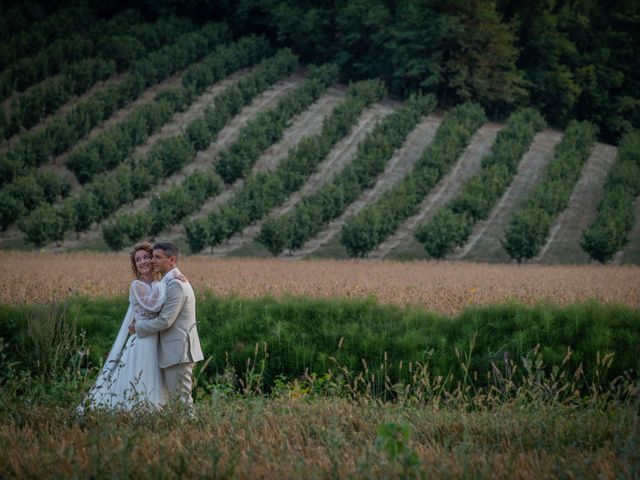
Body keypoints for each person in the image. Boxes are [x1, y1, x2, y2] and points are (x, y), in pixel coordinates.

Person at [82, 243, 175, 411]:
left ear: (153, 259)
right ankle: (136, 411)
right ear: (135, 266)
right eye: (138, 260)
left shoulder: (161, 284)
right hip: (143, 341)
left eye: (146, 257)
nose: (143, 262)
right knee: (142, 377)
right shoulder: (137, 286)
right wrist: (163, 283)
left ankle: (156, 413)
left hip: (158, 341)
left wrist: (172, 278)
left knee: (156, 380)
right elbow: (152, 305)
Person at [129, 241, 204, 407]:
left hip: (177, 352)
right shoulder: (166, 283)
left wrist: (137, 327)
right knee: (175, 400)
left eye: (157, 257)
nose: (152, 261)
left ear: (172, 260)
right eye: (152, 256)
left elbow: (165, 320)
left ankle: (191, 431)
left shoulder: (176, 284)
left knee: (181, 401)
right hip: (171, 351)